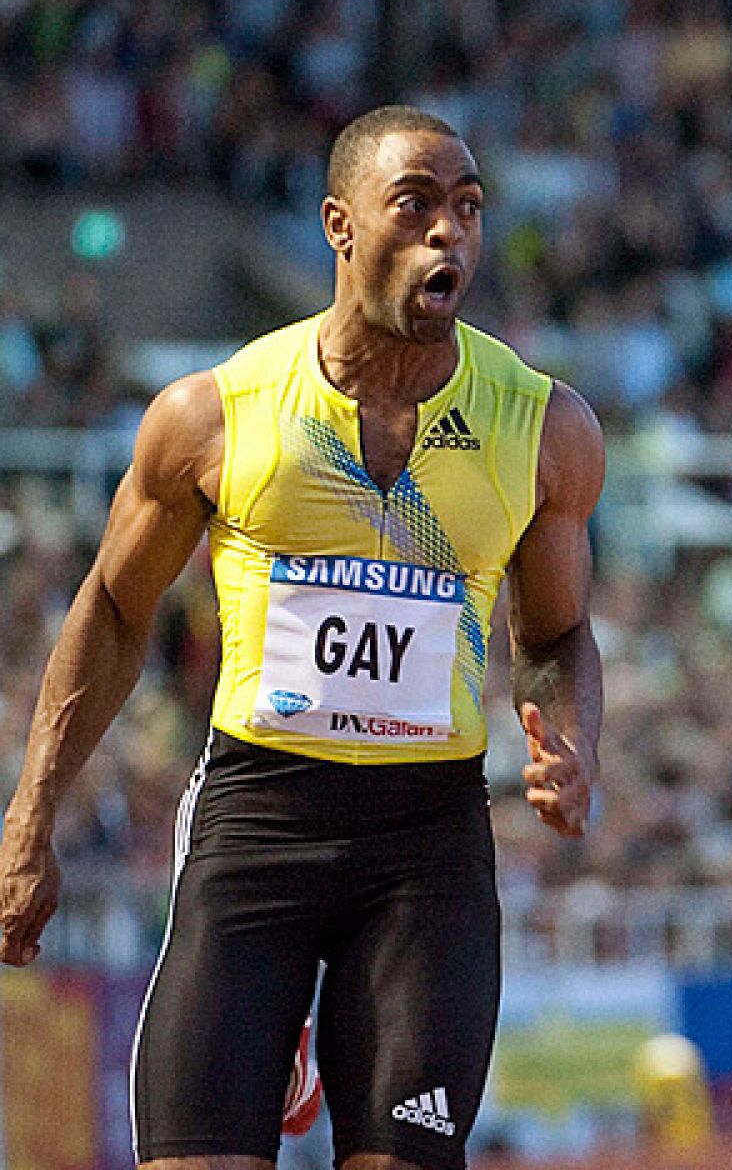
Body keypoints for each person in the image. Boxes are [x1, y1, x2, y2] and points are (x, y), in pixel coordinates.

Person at [0, 105, 604, 1170]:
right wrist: (31, 814)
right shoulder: (214, 416)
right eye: (414, 206)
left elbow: (555, 634)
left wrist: (570, 737)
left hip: (427, 851)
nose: (448, 234)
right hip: (256, 827)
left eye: (467, 209)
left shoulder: (542, 426)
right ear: (338, 225)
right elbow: (112, 610)